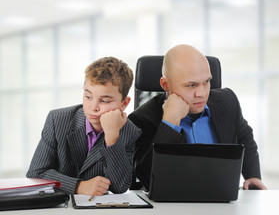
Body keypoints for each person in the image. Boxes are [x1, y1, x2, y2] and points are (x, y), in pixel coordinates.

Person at [128, 44, 267, 191]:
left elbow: (244, 135)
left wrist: (253, 176)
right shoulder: (142, 119)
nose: (201, 93)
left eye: (206, 82)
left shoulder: (227, 101)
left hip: (223, 200)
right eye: (191, 85)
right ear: (166, 85)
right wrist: (169, 123)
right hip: (174, 204)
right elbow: (147, 179)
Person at [26, 57, 141, 195]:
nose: (93, 107)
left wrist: (112, 137)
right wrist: (78, 186)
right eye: (88, 96)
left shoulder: (130, 131)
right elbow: (36, 173)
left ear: (124, 104)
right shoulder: (58, 120)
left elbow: (119, 187)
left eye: (104, 100)